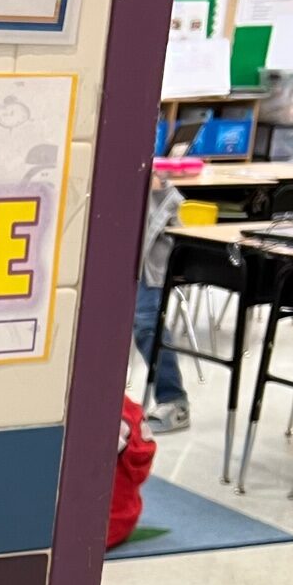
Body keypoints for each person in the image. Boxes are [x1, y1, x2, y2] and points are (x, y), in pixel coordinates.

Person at [134, 169, 189, 433]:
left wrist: (155, 185)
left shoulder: (157, 185)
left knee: (146, 323)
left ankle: (173, 400)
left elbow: (162, 191)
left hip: (143, 260)